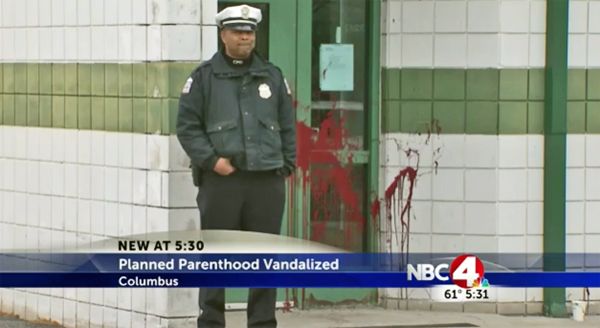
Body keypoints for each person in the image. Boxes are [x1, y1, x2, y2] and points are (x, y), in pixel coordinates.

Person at [176, 4, 296, 328]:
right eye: (238, 31)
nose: (245, 36)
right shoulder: (203, 78)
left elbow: (287, 125)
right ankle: (212, 322)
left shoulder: (272, 75)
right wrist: (213, 161)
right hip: (222, 181)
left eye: (250, 31)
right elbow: (187, 127)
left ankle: (262, 322)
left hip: (266, 182)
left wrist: (286, 165)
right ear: (223, 35)